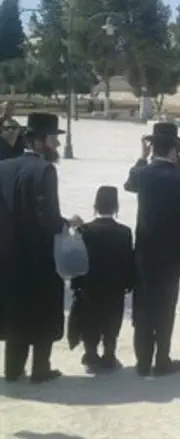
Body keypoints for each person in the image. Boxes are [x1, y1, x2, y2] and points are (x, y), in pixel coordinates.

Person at [0, 112, 82, 383]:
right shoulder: (45, 170)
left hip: (9, 254)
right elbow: (46, 216)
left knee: (15, 309)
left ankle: (12, 368)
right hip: (38, 254)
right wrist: (65, 224)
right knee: (42, 309)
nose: (56, 146)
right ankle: (40, 368)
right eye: (53, 140)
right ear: (39, 141)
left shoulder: (5, 167)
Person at [124, 122, 180, 378]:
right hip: (172, 252)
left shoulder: (145, 174)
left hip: (144, 249)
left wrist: (142, 158)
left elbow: (129, 184)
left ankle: (143, 361)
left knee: (143, 304)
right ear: (175, 148)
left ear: (152, 146)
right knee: (166, 305)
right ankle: (161, 359)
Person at [70, 186, 135, 373]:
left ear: (95, 205)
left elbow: (79, 260)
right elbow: (128, 260)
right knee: (112, 320)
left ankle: (91, 354)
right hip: (115, 286)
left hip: (91, 285)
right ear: (115, 206)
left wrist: (77, 285)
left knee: (91, 320)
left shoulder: (86, 230)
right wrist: (129, 283)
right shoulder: (124, 232)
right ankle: (109, 354)